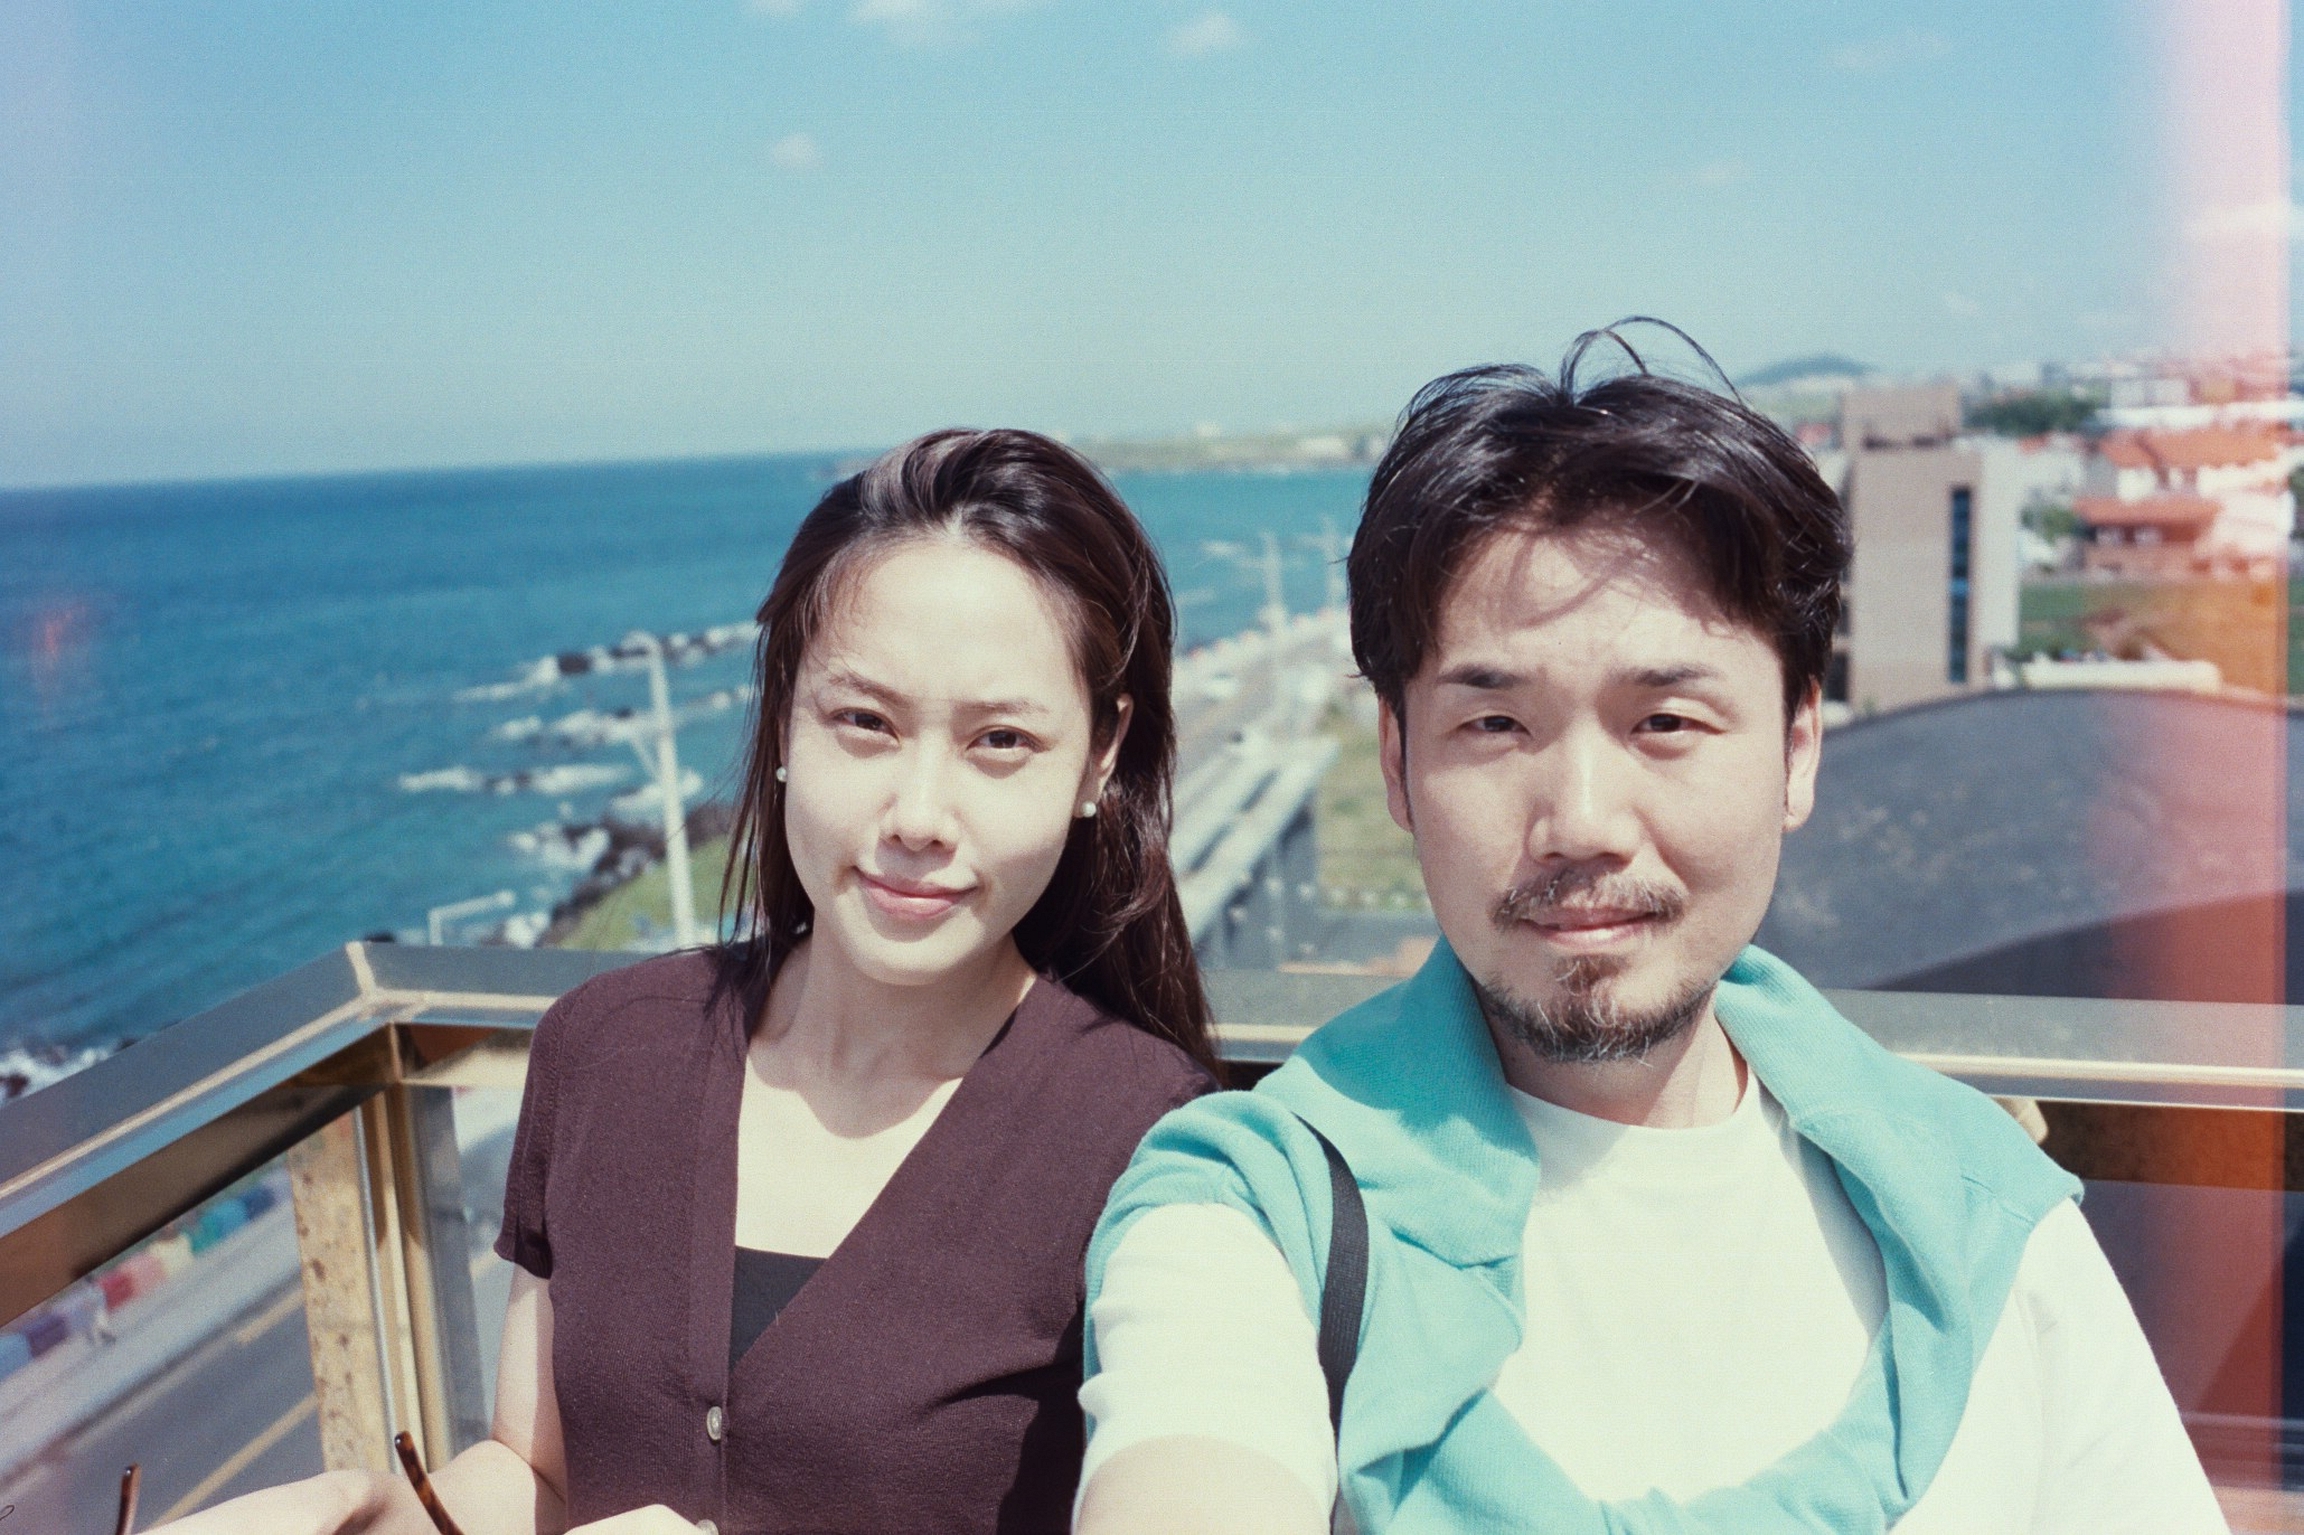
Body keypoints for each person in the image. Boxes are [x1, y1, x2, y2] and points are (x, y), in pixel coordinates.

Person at [1073, 333, 2227, 1534]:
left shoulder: (1980, 1211)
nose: (1581, 820)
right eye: (1496, 725)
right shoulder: (1261, 1214)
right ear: (1397, 762)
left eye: (1666, 720)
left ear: (1798, 747)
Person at [158, 428, 1216, 1535]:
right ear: (784, 713)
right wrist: (369, 1513)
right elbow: (539, 1472)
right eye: (864, 721)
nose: (917, 815)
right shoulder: (606, 1048)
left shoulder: (1151, 1142)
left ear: (1099, 755)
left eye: (999, 740)